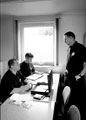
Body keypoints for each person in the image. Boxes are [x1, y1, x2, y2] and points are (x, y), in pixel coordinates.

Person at [57, 31, 86, 118]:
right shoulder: (70, 48)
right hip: (69, 77)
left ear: (71, 38)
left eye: (65, 39)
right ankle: (68, 115)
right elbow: (69, 61)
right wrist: (66, 70)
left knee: (76, 101)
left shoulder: (81, 48)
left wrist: (79, 76)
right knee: (69, 100)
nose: (64, 41)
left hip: (77, 79)